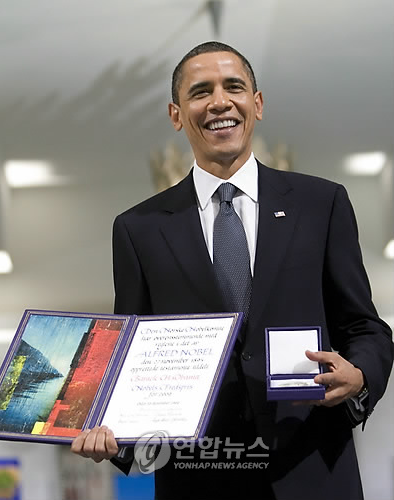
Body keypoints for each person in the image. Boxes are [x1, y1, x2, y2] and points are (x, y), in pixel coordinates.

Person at [71, 41, 393, 500]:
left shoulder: (321, 204)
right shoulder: (138, 229)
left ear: (256, 104)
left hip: (313, 469)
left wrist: (359, 375)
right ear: (176, 115)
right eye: (201, 91)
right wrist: (112, 433)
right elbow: (131, 357)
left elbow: (365, 327)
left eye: (234, 87)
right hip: (199, 477)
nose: (219, 102)